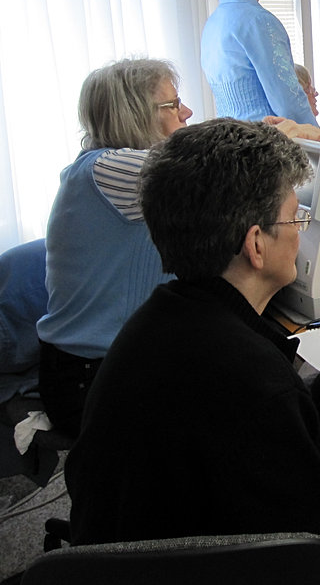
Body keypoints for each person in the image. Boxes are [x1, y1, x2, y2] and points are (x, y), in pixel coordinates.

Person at [65, 119, 320, 547]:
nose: (300, 233)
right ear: (256, 244)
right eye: (296, 219)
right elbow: (310, 544)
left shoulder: (156, 320)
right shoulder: (257, 382)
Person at [35, 59, 191, 437]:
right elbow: (218, 171)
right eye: (171, 105)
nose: (185, 112)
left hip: (110, 362)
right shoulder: (110, 168)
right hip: (91, 377)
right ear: (135, 116)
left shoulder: (103, 170)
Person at [201, 0, 319, 128]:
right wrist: (318, 138)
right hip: (267, 145)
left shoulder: (212, 24)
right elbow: (288, 102)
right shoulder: (258, 21)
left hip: (230, 141)